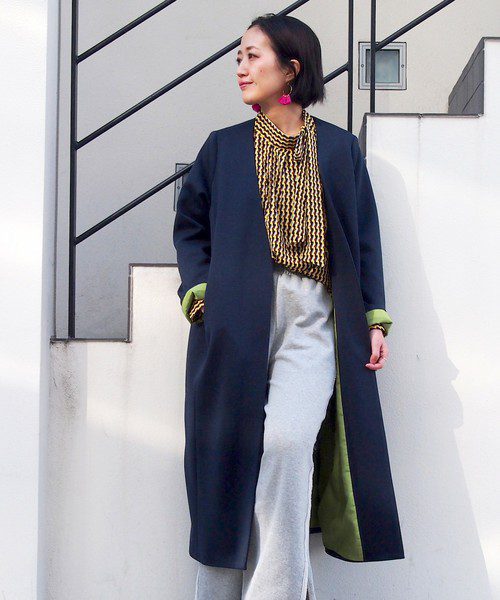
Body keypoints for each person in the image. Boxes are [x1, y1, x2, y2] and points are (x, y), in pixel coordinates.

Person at [173, 12, 403, 600]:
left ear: (292, 69)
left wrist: (373, 316)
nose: (241, 67)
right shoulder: (223, 148)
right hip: (233, 317)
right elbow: (190, 225)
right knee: (228, 464)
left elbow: (364, 238)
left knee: (287, 444)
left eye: (253, 56)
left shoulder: (340, 149)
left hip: (313, 318)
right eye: (239, 57)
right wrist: (199, 291)